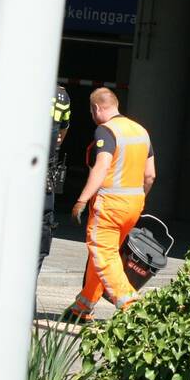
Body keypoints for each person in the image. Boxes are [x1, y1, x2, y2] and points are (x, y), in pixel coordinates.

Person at [63, 88, 155, 322]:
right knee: (105, 254)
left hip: (110, 205)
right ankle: (82, 306)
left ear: (96, 108)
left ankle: (132, 308)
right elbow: (150, 176)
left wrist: (82, 199)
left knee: (103, 253)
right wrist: (139, 198)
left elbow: (101, 167)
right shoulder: (141, 131)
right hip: (133, 204)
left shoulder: (106, 130)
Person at [39, 85, 71, 273]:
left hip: (21, 170)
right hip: (46, 175)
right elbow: (62, 133)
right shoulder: (62, 96)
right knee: (44, 225)